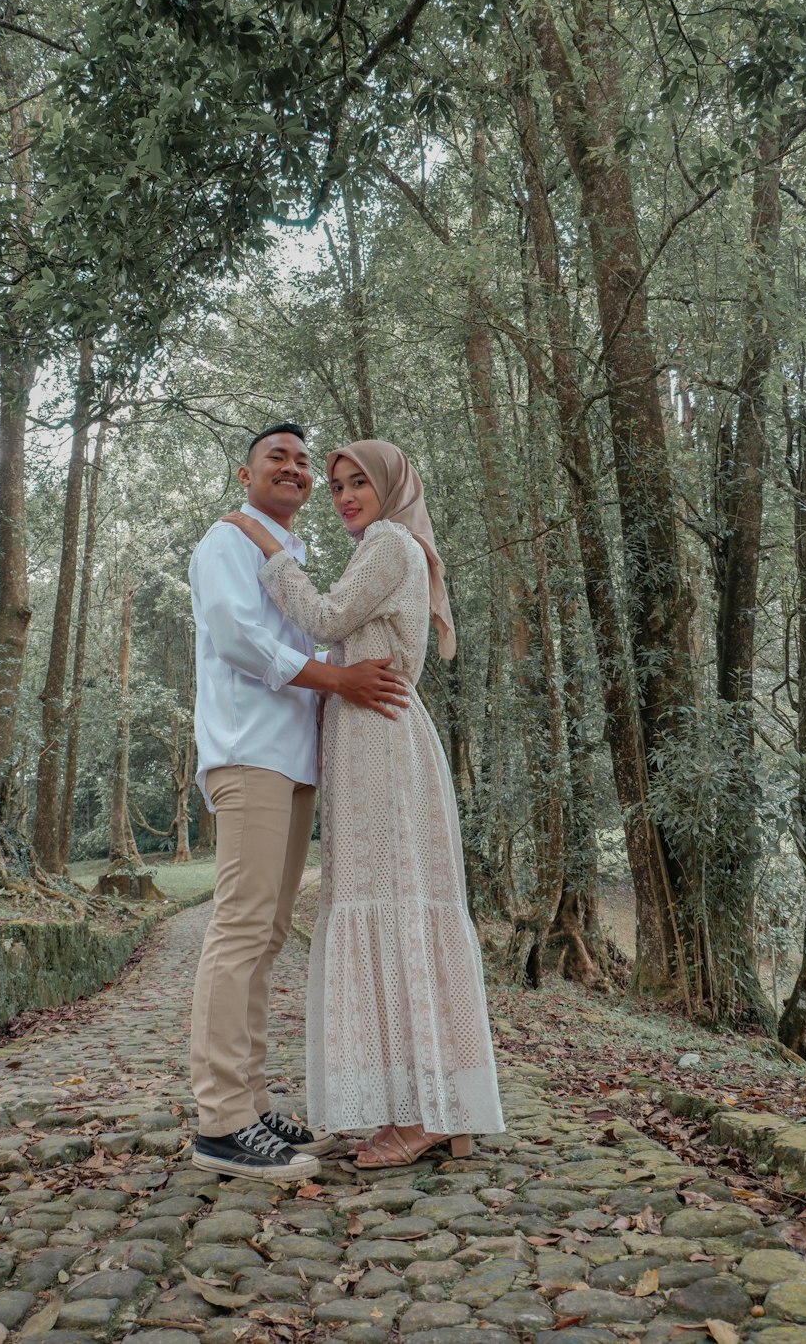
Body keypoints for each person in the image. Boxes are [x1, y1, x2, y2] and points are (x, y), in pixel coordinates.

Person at [223, 438, 504, 1167]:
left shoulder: (387, 543)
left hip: (381, 742)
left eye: (359, 484)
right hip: (371, 740)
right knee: (392, 902)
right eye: (339, 484)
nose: (346, 496)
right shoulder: (388, 545)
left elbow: (321, 617)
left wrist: (265, 543)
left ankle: (424, 1115)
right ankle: (429, 1106)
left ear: (390, 489)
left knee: (396, 903)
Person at [188, 423, 408, 1180]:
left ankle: (247, 1103)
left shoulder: (295, 558)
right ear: (245, 473)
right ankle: (220, 1122)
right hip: (249, 753)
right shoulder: (227, 544)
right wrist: (339, 682)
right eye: (277, 457)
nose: (295, 468)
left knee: (269, 931)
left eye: (303, 462)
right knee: (242, 925)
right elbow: (236, 638)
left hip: (292, 759)